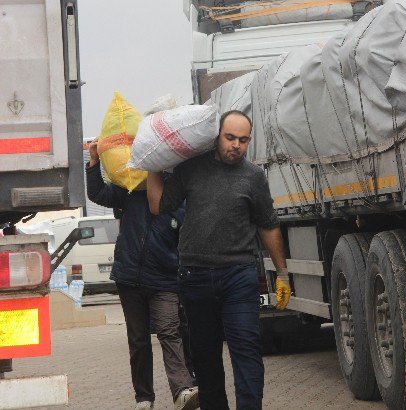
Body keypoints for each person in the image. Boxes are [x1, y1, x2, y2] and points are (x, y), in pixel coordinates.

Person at [147, 110, 291, 410]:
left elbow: (268, 224)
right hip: (195, 278)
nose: (235, 145)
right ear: (217, 136)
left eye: (242, 140)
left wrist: (282, 273)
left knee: (247, 351)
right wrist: (152, 165)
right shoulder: (191, 169)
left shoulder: (253, 177)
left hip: (238, 276)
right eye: (230, 138)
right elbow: (159, 205)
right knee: (205, 357)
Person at [86, 139, 198, 410]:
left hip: (164, 281)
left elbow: (186, 243)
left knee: (170, 332)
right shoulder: (131, 191)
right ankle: (144, 398)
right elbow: (98, 194)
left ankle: (182, 389)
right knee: (138, 342)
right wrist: (93, 161)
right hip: (129, 278)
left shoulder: (181, 203)